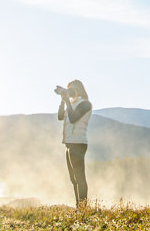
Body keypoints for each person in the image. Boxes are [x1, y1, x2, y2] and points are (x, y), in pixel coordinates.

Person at [56, 79, 92, 208]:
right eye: (68, 90)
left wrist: (67, 101)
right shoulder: (72, 103)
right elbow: (60, 117)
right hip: (69, 143)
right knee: (73, 179)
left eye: (71, 90)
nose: (69, 93)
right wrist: (63, 100)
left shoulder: (85, 104)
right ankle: (79, 206)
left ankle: (83, 208)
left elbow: (73, 118)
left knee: (79, 177)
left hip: (78, 143)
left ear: (78, 89)